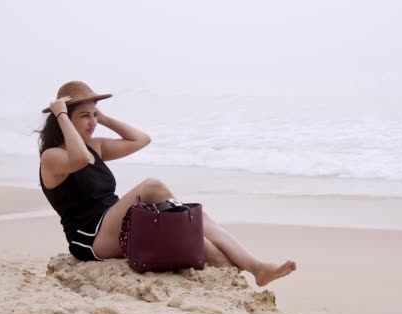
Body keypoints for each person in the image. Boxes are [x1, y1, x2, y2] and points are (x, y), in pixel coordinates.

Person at [38, 81, 296, 286]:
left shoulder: (94, 145)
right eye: (84, 116)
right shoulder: (52, 158)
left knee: (203, 235)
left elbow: (140, 139)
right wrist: (60, 113)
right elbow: (80, 159)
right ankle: (243, 262)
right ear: (64, 120)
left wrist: (102, 117)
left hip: (116, 224)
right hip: (92, 239)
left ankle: (256, 268)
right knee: (153, 187)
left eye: (93, 115)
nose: (92, 122)